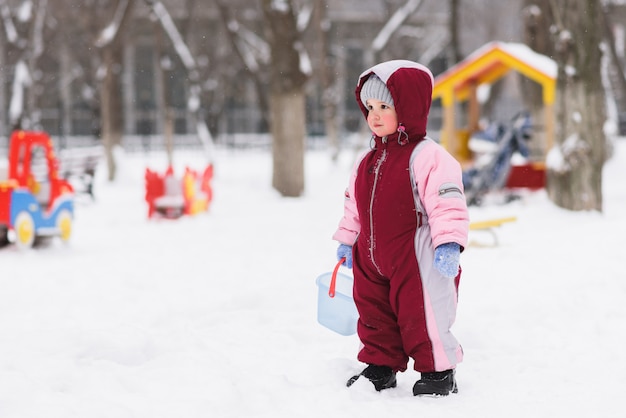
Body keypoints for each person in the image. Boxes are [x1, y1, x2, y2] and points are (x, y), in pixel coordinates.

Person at [332, 60, 469, 397]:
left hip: (416, 254)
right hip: (371, 254)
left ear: (407, 109)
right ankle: (381, 365)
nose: (374, 115)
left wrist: (448, 243)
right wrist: (348, 240)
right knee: (373, 310)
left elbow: (446, 201)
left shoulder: (428, 156)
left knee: (423, 310)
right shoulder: (366, 159)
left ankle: (438, 370)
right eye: (369, 107)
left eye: (384, 106)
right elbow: (354, 204)